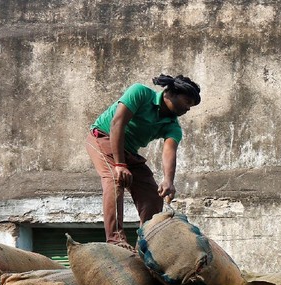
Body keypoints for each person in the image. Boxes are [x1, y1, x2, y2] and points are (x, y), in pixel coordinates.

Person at [85, 74, 201, 245]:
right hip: (103, 137)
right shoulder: (140, 93)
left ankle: (147, 243)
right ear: (172, 93)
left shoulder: (172, 126)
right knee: (115, 180)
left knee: (152, 195)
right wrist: (119, 164)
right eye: (187, 101)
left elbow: (169, 150)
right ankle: (116, 241)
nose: (188, 108)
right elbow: (117, 123)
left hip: (130, 152)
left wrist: (168, 181)